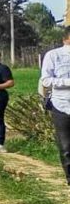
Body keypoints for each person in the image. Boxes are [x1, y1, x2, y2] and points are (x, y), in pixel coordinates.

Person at [40, 27, 70, 184]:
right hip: (62, 106)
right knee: (66, 146)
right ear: (65, 39)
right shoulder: (54, 55)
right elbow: (46, 80)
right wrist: (67, 83)